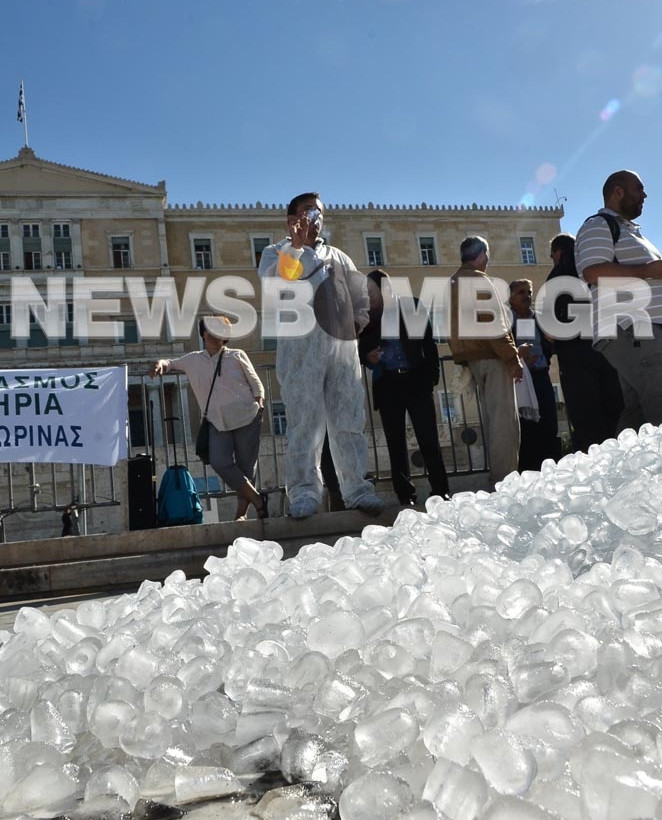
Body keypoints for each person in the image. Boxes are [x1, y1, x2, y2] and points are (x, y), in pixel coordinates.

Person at [258, 192, 384, 519]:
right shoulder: (276, 253)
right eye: (309, 210)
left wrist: (358, 321)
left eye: (320, 211)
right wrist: (297, 248)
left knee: (349, 420)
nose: (316, 217)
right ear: (291, 219)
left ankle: (357, 488)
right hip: (300, 348)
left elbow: (361, 295)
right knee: (304, 423)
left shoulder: (339, 257)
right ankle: (303, 493)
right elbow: (276, 283)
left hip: (341, 349)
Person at [150, 315, 267, 521]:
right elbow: (170, 363)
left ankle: (242, 515)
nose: (215, 336)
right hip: (217, 422)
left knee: (246, 468)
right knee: (219, 461)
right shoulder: (193, 359)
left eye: (220, 332)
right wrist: (159, 364)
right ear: (203, 333)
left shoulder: (237, 355)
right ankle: (258, 500)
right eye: (211, 331)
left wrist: (259, 403)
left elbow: (255, 382)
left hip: (246, 417)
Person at [575, 170, 662, 431]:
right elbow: (593, 271)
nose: (645, 194)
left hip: (639, 329)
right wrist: (647, 271)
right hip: (632, 327)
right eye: (638, 188)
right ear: (618, 191)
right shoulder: (598, 225)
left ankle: (622, 469)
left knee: (636, 414)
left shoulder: (631, 231)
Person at [359, 269, 450, 505]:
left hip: (416, 381)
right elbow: (360, 351)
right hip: (388, 384)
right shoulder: (369, 316)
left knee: (428, 439)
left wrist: (432, 378)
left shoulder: (413, 307)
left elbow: (429, 345)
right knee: (395, 444)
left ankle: (440, 491)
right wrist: (369, 357)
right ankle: (405, 496)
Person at [449, 236, 523, 488]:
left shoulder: (452, 283)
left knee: (492, 421)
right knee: (504, 422)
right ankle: (504, 482)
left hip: (471, 360)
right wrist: (513, 359)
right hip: (493, 357)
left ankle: (499, 478)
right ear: (481, 255)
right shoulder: (480, 281)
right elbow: (495, 325)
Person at [546, 233, 623, 451]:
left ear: (559, 252)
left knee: (585, 416)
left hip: (574, 354)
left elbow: (550, 331)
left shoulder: (557, 276)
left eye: (553, 256)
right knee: (614, 408)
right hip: (607, 346)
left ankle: (594, 470)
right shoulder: (594, 268)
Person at [509, 278, 560, 470]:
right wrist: (519, 359)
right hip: (520, 381)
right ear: (511, 297)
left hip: (540, 375)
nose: (527, 296)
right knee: (527, 427)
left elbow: (550, 342)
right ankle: (528, 470)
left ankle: (551, 468)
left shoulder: (538, 318)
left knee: (548, 422)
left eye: (529, 292)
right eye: (521, 292)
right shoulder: (506, 320)